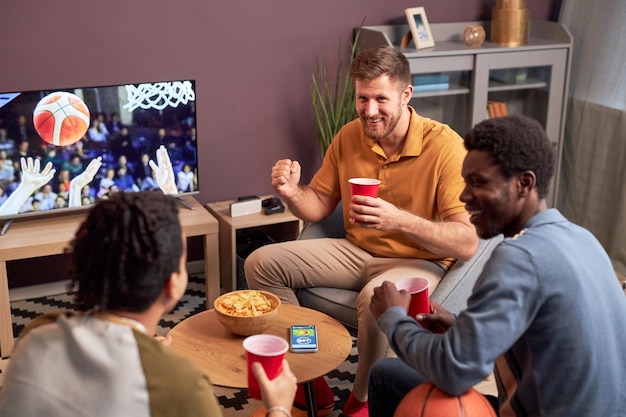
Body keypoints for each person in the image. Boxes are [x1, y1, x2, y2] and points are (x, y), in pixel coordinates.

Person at [245, 45, 478, 417]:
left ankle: (361, 400)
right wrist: (290, 193)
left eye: (381, 99)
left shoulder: (447, 148)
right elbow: (319, 203)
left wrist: (398, 219)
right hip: (357, 250)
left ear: (406, 95)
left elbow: (467, 242)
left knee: (377, 299)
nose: (370, 111)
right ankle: (309, 378)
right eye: (363, 98)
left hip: (419, 260)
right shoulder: (350, 135)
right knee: (261, 263)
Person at [368, 114, 626, 417]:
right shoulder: (583, 238)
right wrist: (463, 323)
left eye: (478, 182)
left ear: (523, 184)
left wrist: (394, 318)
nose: (463, 196)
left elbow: (453, 373)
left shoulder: (518, 256)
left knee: (385, 376)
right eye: (465, 182)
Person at [0, 191, 297, 416]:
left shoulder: (36, 335)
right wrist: (279, 408)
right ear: (173, 284)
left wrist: (143, 350)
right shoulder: (183, 386)